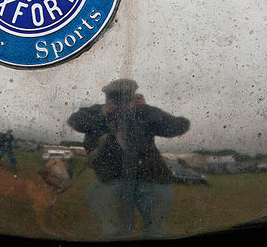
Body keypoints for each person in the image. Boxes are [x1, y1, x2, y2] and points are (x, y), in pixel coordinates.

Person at [67, 79, 190, 239]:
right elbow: (74, 121)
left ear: (134, 96)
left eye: (124, 97)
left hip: (150, 177)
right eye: (114, 97)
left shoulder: (143, 112)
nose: (119, 102)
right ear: (107, 97)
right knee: (115, 232)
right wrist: (103, 113)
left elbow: (180, 126)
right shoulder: (97, 111)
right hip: (111, 178)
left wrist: (145, 109)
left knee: (155, 231)